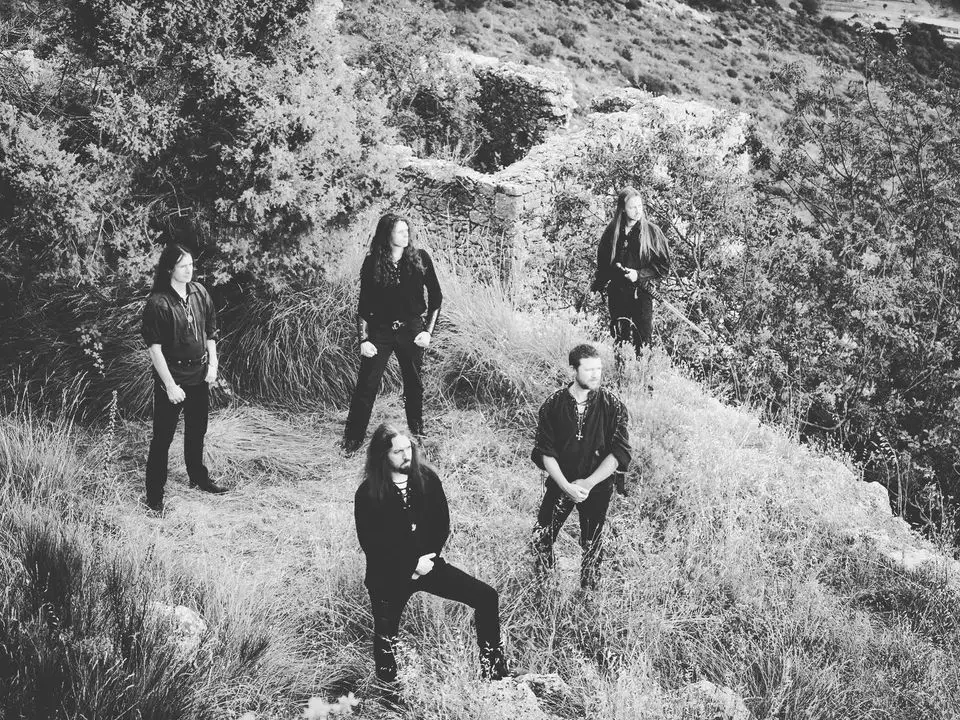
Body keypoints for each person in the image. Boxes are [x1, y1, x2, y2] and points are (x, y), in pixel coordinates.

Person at [354, 423, 509, 691]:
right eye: (397, 452)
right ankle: (389, 693)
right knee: (386, 638)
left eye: (408, 449)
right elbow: (372, 544)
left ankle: (495, 674)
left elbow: (441, 525)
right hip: (388, 574)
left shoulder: (426, 479)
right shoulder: (368, 493)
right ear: (382, 455)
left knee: (486, 597)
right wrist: (411, 566)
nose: (406, 456)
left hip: (429, 564)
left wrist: (427, 560)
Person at [530, 344, 631, 590]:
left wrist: (588, 483)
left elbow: (619, 453)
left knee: (592, 546)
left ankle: (588, 596)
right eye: (589, 370)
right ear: (573, 370)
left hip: (596, 488)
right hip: (560, 484)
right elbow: (545, 451)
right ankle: (546, 589)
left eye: (599, 369)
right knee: (541, 538)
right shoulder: (553, 404)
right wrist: (566, 486)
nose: (596, 375)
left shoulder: (612, 405)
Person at [342, 214, 442, 455]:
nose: (406, 235)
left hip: (412, 330)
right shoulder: (373, 262)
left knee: (414, 385)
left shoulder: (420, 258)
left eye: (407, 230)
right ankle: (352, 439)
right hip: (380, 331)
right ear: (387, 235)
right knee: (367, 385)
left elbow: (436, 298)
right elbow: (364, 305)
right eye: (400, 231)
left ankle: (417, 433)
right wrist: (364, 339)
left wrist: (427, 332)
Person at [141, 243, 227, 514]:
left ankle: (198, 478)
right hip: (173, 379)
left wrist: (212, 365)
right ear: (170, 269)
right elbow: (154, 349)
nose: (189, 270)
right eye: (183, 266)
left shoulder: (199, 292)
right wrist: (169, 386)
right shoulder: (158, 303)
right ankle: (154, 496)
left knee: (197, 431)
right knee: (162, 439)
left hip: (200, 375)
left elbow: (211, 331)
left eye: (191, 265)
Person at [590, 186, 670, 355]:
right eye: (632, 207)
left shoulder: (652, 232)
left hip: (642, 294)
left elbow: (663, 267)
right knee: (620, 341)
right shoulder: (612, 231)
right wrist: (597, 287)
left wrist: (639, 274)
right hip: (617, 294)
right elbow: (603, 265)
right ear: (623, 209)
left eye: (640, 206)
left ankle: (641, 372)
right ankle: (621, 371)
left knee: (644, 343)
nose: (637, 210)